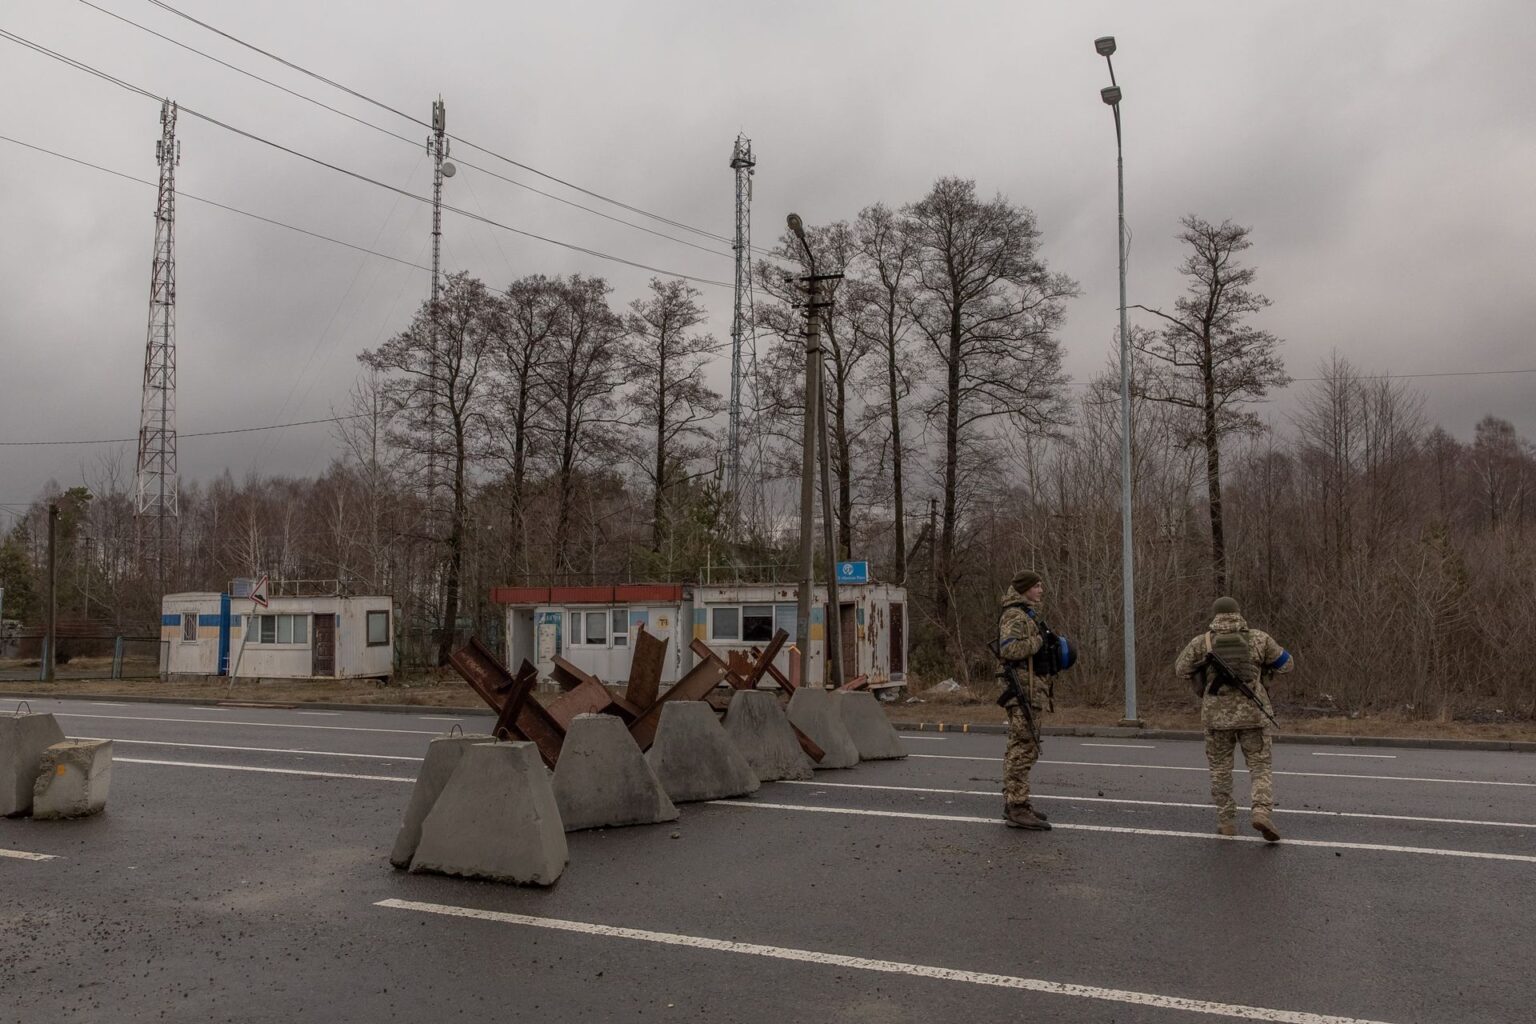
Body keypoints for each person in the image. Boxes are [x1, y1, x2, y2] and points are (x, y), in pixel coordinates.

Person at [1175, 596, 1294, 841]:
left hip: (1216, 718)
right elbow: (1287, 664)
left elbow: (1180, 670)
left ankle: (1226, 821)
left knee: (1220, 770)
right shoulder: (1259, 638)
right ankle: (1261, 812)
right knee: (1260, 767)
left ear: (1215, 615)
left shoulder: (1202, 642)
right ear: (1239, 614)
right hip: (1254, 714)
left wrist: (1202, 665)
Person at [997, 569, 1054, 830]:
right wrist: (1039, 641)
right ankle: (1017, 807)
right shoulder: (1014, 615)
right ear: (1025, 589)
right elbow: (1008, 649)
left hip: (1030, 689)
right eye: (1037, 586)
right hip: (1021, 689)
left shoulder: (1024, 613)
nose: (1041, 590)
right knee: (1023, 747)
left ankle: (1016, 801)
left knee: (1023, 745)